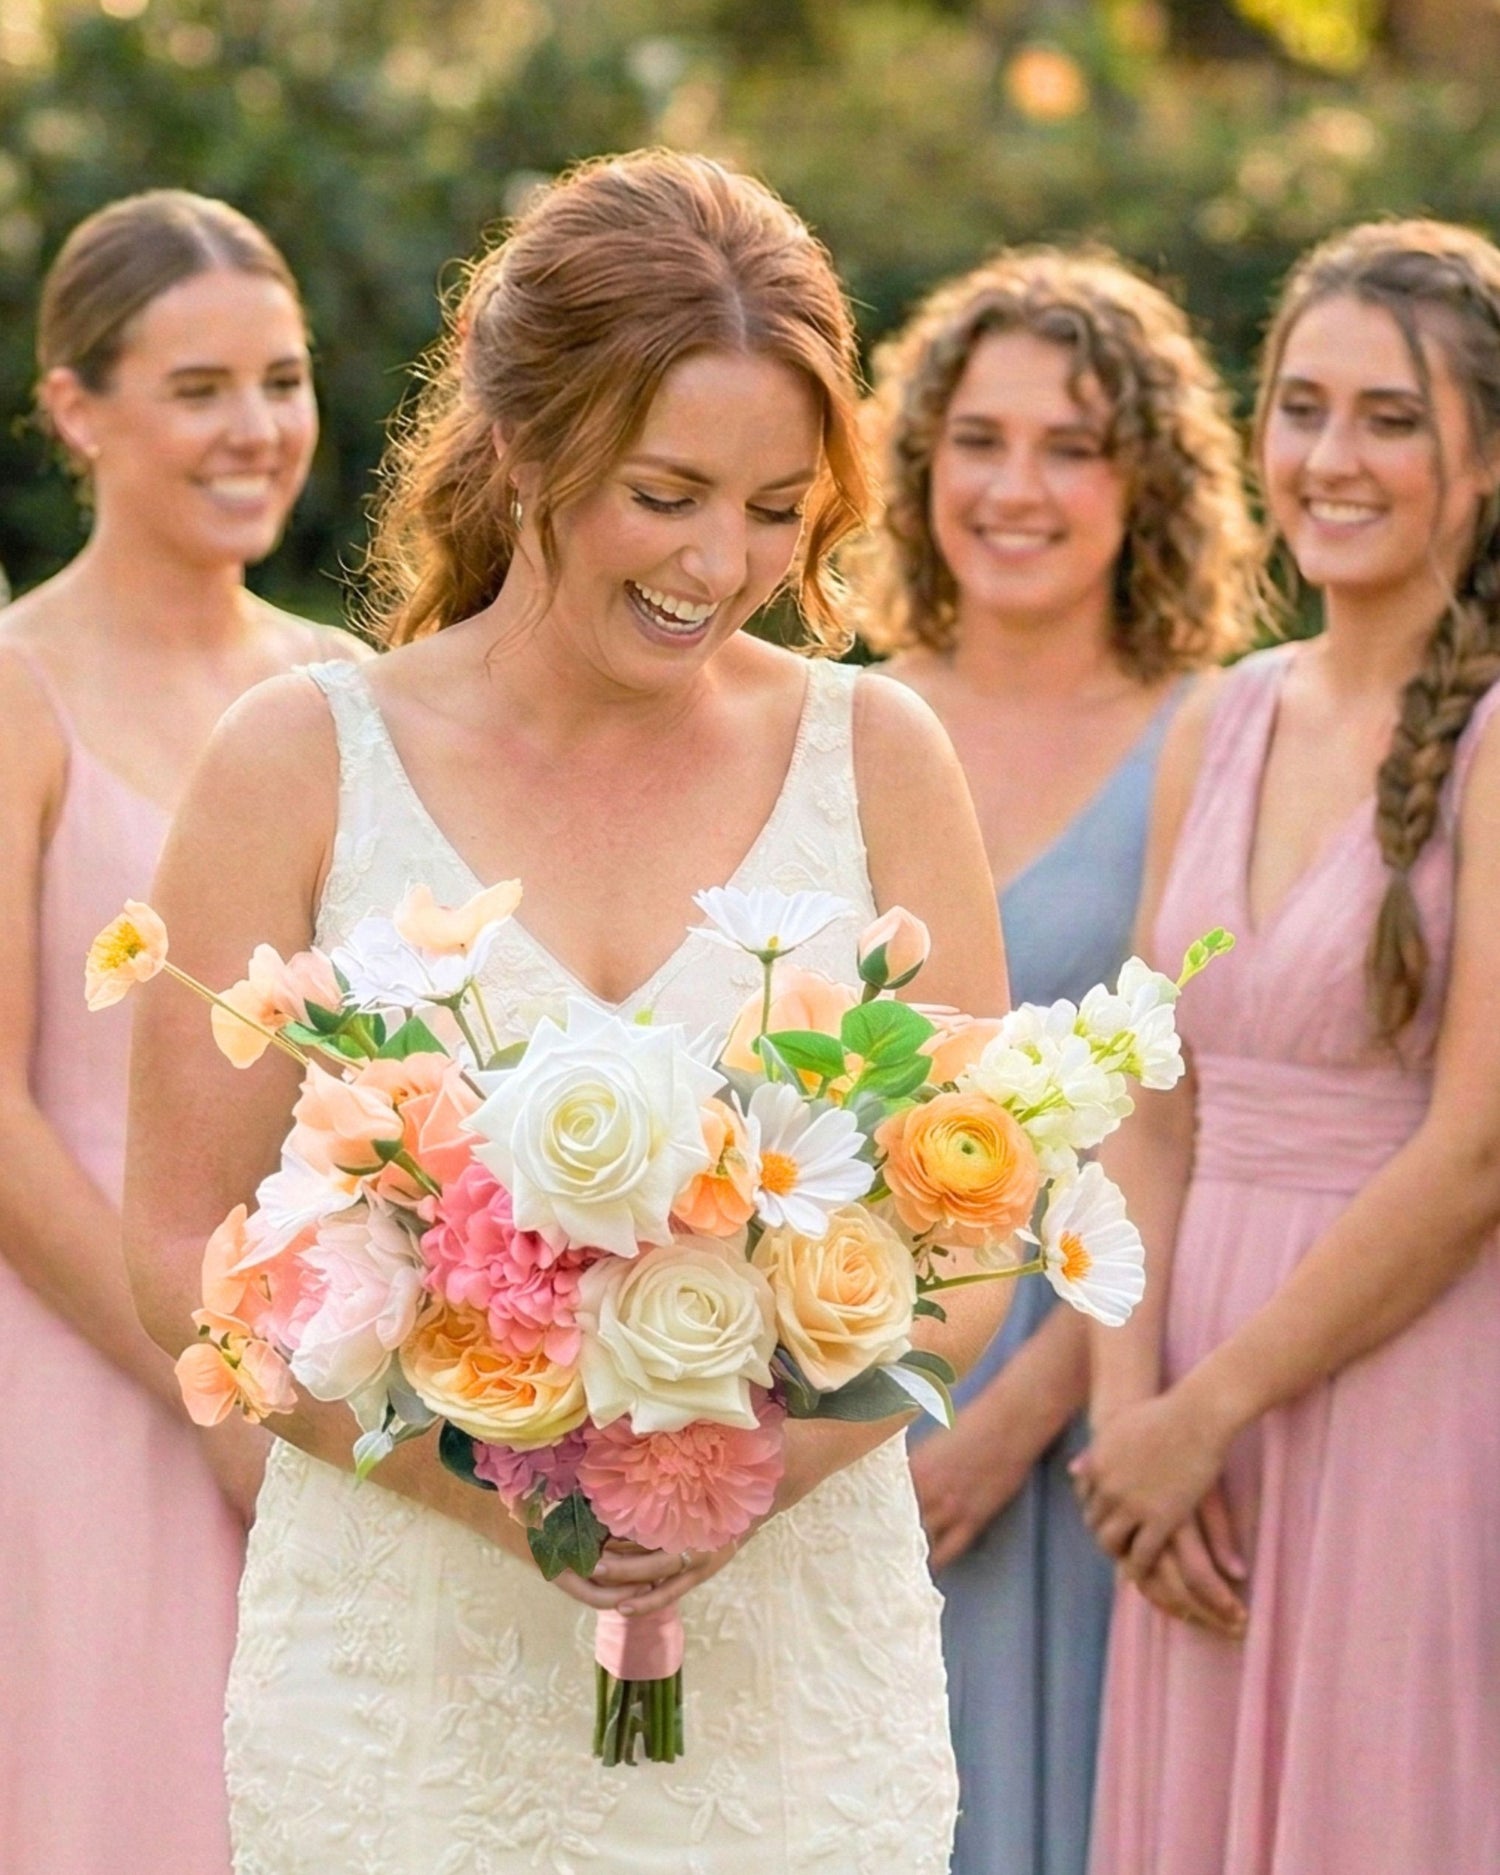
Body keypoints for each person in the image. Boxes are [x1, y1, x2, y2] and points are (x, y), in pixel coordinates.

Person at [123, 150, 1012, 1872]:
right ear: (525, 443)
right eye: (668, 492)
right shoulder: (298, 763)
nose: (723, 562)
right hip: (408, 1689)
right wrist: (496, 1488)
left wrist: (735, 1484)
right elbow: (180, 1248)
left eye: (776, 508)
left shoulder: (878, 759)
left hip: (792, 1688)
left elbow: (973, 1242)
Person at [1075, 219, 1500, 1874]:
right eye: (1301, 407)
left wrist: (1214, 1408)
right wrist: (1132, 1414)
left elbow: (1475, 1153)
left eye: (1391, 419)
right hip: (1182, 1391)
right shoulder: (1225, 714)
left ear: (1484, 462)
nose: (1331, 458)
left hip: (1408, 1380)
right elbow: (1141, 1097)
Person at [857, 247, 1257, 1875]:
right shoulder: (835, 724)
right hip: (854, 1375)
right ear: (920, 462)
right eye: (980, 438)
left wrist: (1029, 1410)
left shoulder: (1222, 738)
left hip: (1114, 1390)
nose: (1016, 487)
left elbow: (1218, 1114)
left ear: (1146, 482)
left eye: (1073, 446)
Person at [0, 191, 361, 1874]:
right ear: (76, 407)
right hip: (82, 1378)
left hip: (324, 1378)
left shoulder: (343, 689)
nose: (258, 430)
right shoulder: (19, 690)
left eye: (281, 382)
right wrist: (199, 1397)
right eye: (200, 386)